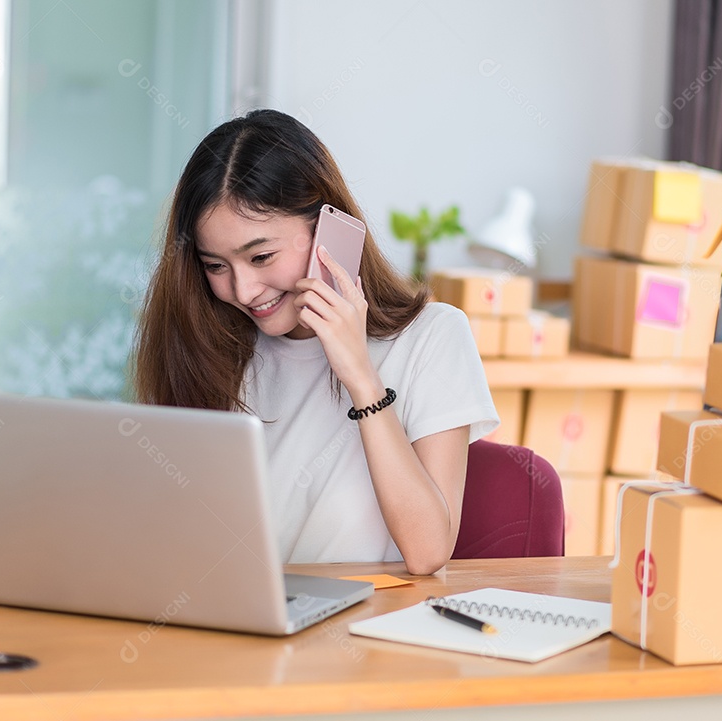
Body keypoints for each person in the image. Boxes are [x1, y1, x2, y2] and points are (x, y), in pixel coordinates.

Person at [133, 109, 498, 575]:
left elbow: (427, 551)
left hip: (365, 632)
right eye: (216, 266)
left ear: (331, 230)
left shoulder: (432, 337)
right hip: (234, 626)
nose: (243, 291)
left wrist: (362, 379)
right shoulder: (216, 344)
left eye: (261, 255)